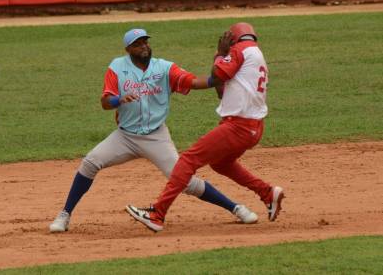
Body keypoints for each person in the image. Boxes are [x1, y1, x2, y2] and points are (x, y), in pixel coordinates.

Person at [49, 28, 259, 232]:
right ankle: (64, 215)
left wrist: (219, 68)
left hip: (156, 136)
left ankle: (236, 208)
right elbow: (105, 102)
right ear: (128, 49)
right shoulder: (116, 67)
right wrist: (118, 99)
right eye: (137, 44)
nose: (143, 46)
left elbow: (194, 82)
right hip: (125, 136)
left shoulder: (164, 68)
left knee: (185, 181)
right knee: (90, 163)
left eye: (145, 42)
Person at [126, 23, 285, 232]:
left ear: (234, 39)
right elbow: (220, 89)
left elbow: (218, 74)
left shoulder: (240, 51)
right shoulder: (255, 54)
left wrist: (220, 54)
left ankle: (157, 213)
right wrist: (220, 56)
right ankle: (266, 192)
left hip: (238, 126)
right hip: (253, 127)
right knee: (221, 164)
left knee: (188, 160)